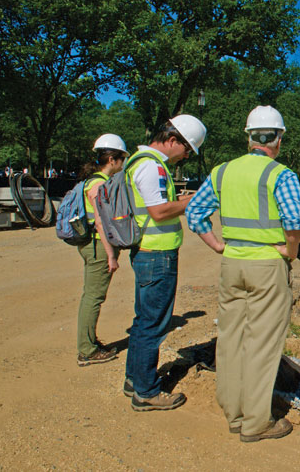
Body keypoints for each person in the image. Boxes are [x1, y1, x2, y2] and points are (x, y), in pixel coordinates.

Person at [186, 105, 300, 442]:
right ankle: (256, 422)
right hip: (267, 266)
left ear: (249, 136)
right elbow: (295, 220)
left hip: (232, 264)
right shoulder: (280, 175)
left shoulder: (221, 172)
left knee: (231, 339)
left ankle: (234, 412)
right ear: (278, 138)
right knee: (262, 344)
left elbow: (195, 213)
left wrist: (218, 245)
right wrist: (291, 251)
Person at [123, 114, 206, 412]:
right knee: (154, 324)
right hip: (157, 255)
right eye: (186, 150)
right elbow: (159, 212)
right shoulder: (152, 165)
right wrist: (192, 202)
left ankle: (135, 379)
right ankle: (146, 391)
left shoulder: (139, 161)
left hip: (148, 253)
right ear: (173, 141)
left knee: (143, 320)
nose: (185, 157)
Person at [75, 134, 129, 367]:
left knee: (92, 295)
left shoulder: (92, 180)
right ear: (112, 159)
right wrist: (110, 255)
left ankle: (89, 343)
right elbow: (99, 221)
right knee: (93, 297)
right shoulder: (99, 185)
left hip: (93, 244)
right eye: (121, 159)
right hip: (98, 245)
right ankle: (86, 350)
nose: (122, 164)